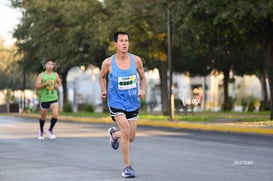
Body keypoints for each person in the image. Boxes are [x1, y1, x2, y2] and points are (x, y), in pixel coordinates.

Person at [99, 31, 146, 178]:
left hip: (132, 102)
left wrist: (142, 89)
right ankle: (127, 167)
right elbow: (101, 76)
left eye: (126, 40)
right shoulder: (108, 62)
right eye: (121, 41)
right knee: (126, 129)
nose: (125, 43)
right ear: (115, 44)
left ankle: (114, 135)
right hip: (116, 102)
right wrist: (104, 90)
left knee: (131, 137)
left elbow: (143, 78)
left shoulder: (136, 60)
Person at [35, 58, 62, 140]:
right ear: (45, 65)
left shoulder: (55, 75)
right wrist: (45, 84)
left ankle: (50, 130)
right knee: (43, 116)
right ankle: (41, 131)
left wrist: (57, 86)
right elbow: (37, 86)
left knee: (55, 115)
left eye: (52, 64)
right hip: (44, 98)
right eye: (49, 64)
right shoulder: (41, 75)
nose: (50, 66)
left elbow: (59, 83)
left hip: (54, 97)